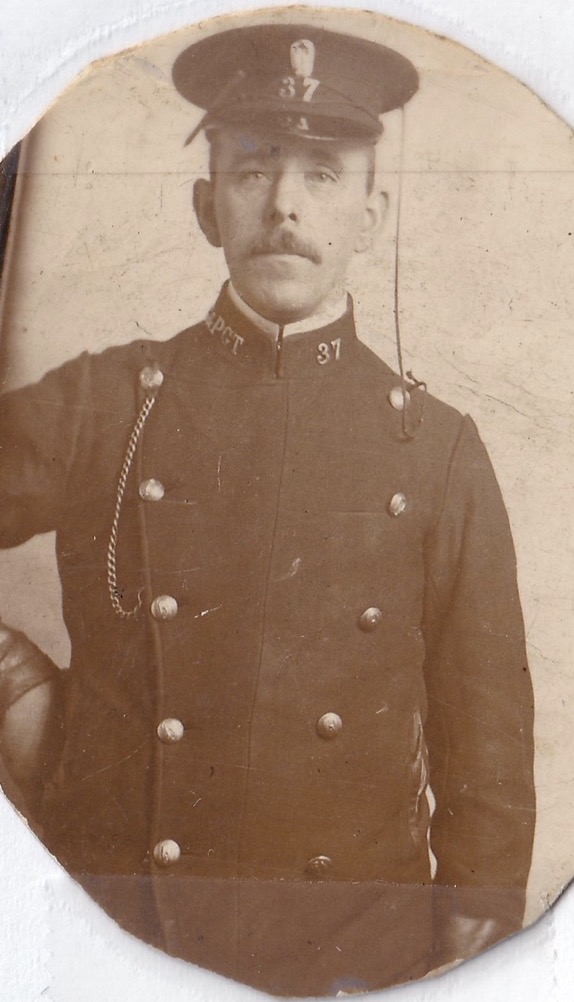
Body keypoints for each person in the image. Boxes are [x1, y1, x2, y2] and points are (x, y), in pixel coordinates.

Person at [0, 22, 535, 998]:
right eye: (253, 168)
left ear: (369, 218)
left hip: (353, 948)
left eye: (323, 174)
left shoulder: (438, 447)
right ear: (208, 207)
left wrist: (482, 917)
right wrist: (11, 686)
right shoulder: (110, 402)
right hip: (113, 926)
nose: (286, 205)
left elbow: (482, 716)